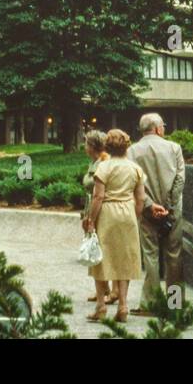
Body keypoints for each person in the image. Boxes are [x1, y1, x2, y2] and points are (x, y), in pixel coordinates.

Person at [127, 112, 185, 315]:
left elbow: (134, 183)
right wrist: (168, 206)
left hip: (146, 211)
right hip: (172, 211)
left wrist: (151, 206)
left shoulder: (132, 151)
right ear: (159, 129)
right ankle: (175, 303)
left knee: (150, 256)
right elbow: (180, 179)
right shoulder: (174, 148)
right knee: (174, 255)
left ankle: (150, 304)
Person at [84, 129, 144, 322]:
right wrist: (134, 215)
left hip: (108, 213)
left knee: (101, 258)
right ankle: (123, 306)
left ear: (108, 146)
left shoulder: (104, 167)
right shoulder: (135, 168)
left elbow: (98, 196)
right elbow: (140, 198)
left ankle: (101, 306)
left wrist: (91, 220)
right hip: (127, 212)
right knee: (124, 259)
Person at [80, 130, 116, 305]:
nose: (84, 146)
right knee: (95, 248)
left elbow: (99, 193)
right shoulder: (94, 161)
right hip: (91, 207)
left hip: (101, 210)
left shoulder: (104, 161)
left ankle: (112, 292)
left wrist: (91, 218)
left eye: (86, 143)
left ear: (92, 146)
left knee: (103, 250)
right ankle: (102, 289)